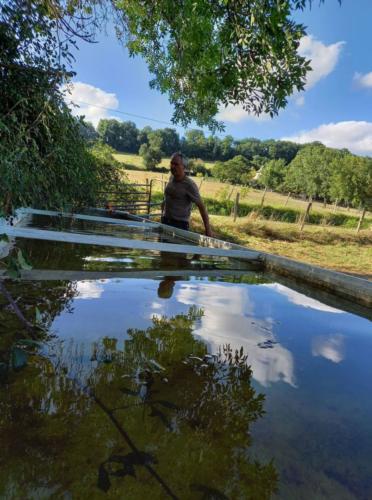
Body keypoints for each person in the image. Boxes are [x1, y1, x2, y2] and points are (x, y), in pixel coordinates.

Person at [161, 152, 212, 236]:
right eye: (171, 163)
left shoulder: (189, 185)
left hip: (179, 225)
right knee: (162, 248)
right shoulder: (171, 177)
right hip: (165, 221)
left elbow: (201, 207)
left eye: (176, 164)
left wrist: (208, 229)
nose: (172, 166)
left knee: (175, 249)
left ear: (184, 167)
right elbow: (168, 196)